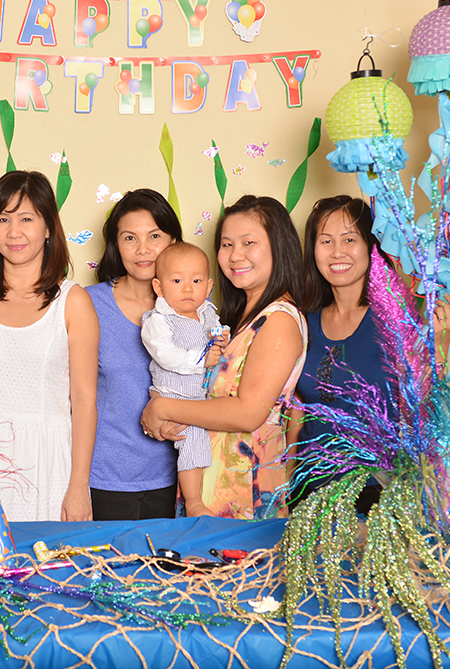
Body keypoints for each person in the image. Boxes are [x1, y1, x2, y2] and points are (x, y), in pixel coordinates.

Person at [287, 195, 450, 511]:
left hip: (376, 494)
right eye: (326, 241)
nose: (337, 252)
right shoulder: (302, 321)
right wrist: (284, 492)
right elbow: (296, 414)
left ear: (371, 247)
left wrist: (439, 348)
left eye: (349, 239)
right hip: (308, 492)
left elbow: (423, 412)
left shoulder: (397, 318)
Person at [140, 195, 308, 519]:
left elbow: (248, 413)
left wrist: (161, 407)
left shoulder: (279, 320)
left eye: (249, 243)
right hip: (212, 484)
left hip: (244, 489)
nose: (235, 255)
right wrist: (164, 422)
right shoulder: (236, 316)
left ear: (279, 247)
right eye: (227, 244)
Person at [0, 170, 99, 522]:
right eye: (3, 219)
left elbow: (84, 400)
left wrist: (79, 486)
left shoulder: (73, 301)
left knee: (48, 570)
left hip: (48, 462)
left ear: (48, 226)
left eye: (26, 218)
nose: (14, 231)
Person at [87, 189, 182, 521]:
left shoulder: (194, 308)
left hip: (177, 479)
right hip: (102, 479)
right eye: (130, 238)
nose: (143, 249)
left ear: (173, 241)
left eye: (154, 236)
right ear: (116, 245)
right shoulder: (88, 304)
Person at [140, 242, 226, 517]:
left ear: (209, 285)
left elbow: (217, 332)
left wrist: (221, 337)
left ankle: (202, 496)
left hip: (201, 396)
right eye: (177, 281)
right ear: (158, 287)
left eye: (196, 280)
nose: (188, 288)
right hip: (174, 394)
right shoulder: (159, 320)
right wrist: (202, 360)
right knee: (192, 441)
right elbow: (165, 355)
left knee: (206, 444)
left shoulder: (207, 312)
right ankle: (193, 502)